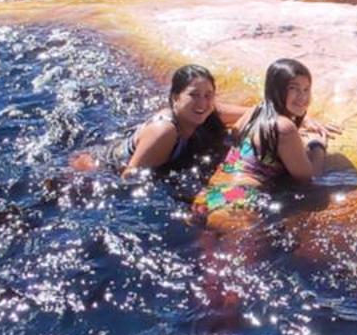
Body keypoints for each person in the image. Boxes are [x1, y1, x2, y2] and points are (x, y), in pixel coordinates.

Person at [194, 57, 338, 220]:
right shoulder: (284, 128)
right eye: (294, 89)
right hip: (239, 199)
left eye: (306, 89)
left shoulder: (254, 112)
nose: (302, 97)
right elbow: (308, 176)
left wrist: (303, 121)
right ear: (277, 90)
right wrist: (317, 144)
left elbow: (235, 135)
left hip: (209, 197)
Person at [120, 63, 230, 185]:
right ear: (175, 98)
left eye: (208, 95)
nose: (202, 103)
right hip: (109, 168)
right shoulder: (164, 131)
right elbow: (128, 178)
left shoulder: (208, 112)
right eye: (194, 95)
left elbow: (252, 113)